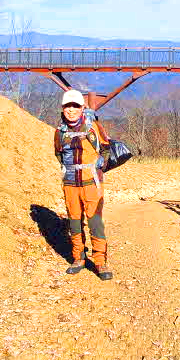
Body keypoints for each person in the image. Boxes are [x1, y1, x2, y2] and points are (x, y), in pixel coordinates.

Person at [53, 89, 113, 280]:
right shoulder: (59, 132)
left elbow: (106, 149)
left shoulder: (93, 127)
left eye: (75, 106)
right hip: (70, 184)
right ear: (62, 109)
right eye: (67, 106)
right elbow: (59, 154)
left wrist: (98, 167)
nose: (71, 110)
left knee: (95, 222)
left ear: (82, 108)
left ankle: (100, 261)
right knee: (74, 221)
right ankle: (78, 257)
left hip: (91, 184)